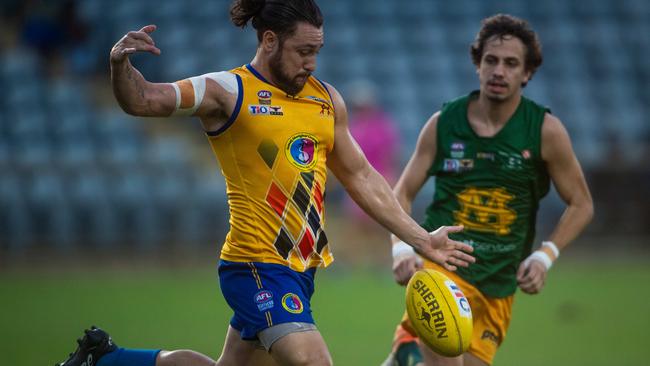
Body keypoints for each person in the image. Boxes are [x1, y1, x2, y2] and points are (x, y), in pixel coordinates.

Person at [56, 1, 476, 366]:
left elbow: (362, 177)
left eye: (317, 52)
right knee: (313, 360)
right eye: (303, 51)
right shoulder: (229, 90)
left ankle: (106, 359)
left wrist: (419, 238)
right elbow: (144, 99)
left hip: (301, 270)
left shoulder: (326, 100)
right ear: (270, 40)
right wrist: (119, 65)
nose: (311, 62)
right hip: (254, 264)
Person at [381, 14, 593, 366]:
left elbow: (581, 204)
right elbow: (400, 193)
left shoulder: (545, 131)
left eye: (511, 63)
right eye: (491, 60)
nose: (499, 71)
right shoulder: (443, 123)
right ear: (477, 64)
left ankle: (404, 353)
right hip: (442, 269)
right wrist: (402, 248)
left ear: (527, 73)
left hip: (499, 283)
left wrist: (545, 255)